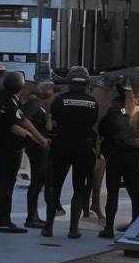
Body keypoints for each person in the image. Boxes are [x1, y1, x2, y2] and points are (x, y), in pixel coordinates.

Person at [42, 66, 100, 239]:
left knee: (54, 186)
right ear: (86, 84)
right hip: (83, 148)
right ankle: (73, 229)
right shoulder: (92, 103)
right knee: (79, 188)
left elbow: (54, 123)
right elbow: (93, 122)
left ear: (69, 83)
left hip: (61, 147)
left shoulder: (59, 101)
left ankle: (48, 227)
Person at [0, 71, 49, 233]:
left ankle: (1, 219)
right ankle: (2, 221)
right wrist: (38, 139)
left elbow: (17, 121)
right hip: (10, 148)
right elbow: (18, 123)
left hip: (1, 146)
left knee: (2, 183)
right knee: (6, 184)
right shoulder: (10, 103)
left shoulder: (0, 97)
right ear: (20, 88)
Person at [99, 81, 139, 238]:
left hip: (115, 158)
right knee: (137, 193)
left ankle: (109, 228)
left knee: (113, 194)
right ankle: (136, 225)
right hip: (129, 157)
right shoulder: (121, 116)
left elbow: (106, 133)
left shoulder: (113, 116)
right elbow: (128, 137)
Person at [21, 78, 55, 228]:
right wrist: (41, 138)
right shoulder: (37, 104)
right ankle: (31, 216)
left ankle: (33, 215)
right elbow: (45, 127)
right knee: (37, 181)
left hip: (36, 145)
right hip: (38, 146)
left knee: (38, 180)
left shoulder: (37, 104)